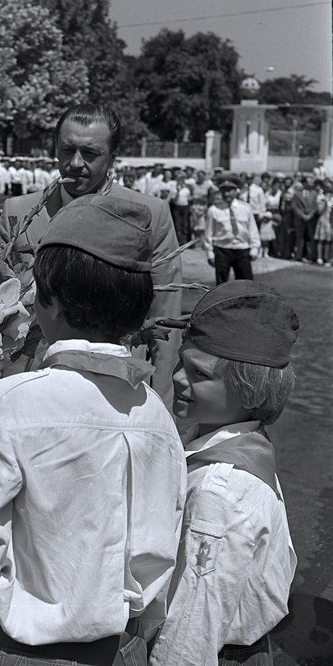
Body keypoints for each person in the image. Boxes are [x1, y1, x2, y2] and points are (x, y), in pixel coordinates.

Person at [0, 195, 186, 666]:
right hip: (123, 648)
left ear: (52, 302)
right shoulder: (154, 416)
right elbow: (158, 548)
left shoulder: (7, 406)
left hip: (26, 651)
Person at [149, 280, 298, 666]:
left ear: (246, 389)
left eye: (199, 374)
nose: (179, 377)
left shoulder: (221, 491)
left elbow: (191, 630)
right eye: (182, 361)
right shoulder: (245, 446)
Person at [0, 103, 183, 405]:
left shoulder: (149, 214)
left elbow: (166, 318)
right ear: (55, 149)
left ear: (113, 157)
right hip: (28, 383)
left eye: (91, 153)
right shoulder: (18, 211)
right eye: (68, 150)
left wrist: (163, 404)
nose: (76, 163)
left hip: (114, 389)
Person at [204, 173, 260, 284]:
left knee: (246, 282)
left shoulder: (245, 208)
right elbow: (208, 234)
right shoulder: (214, 210)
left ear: (236, 191)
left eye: (230, 190)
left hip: (242, 249)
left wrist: (255, 247)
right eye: (224, 190)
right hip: (222, 249)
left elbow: (252, 230)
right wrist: (209, 253)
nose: (227, 193)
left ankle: (245, 302)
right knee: (221, 283)